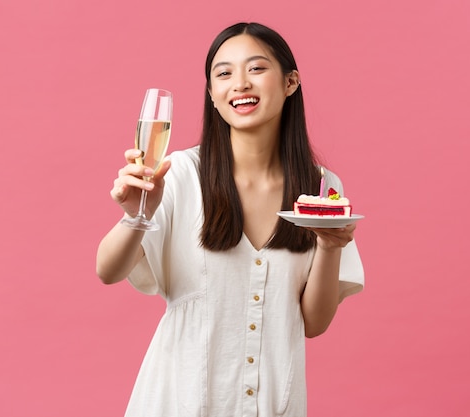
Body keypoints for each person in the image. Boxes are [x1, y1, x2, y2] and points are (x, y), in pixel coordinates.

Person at [96, 22, 364, 417]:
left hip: (275, 403)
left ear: (291, 82)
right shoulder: (181, 174)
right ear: (212, 94)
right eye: (224, 73)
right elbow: (107, 271)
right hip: (179, 400)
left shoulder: (321, 188)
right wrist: (138, 215)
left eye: (256, 69)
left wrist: (329, 246)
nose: (240, 83)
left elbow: (313, 323)